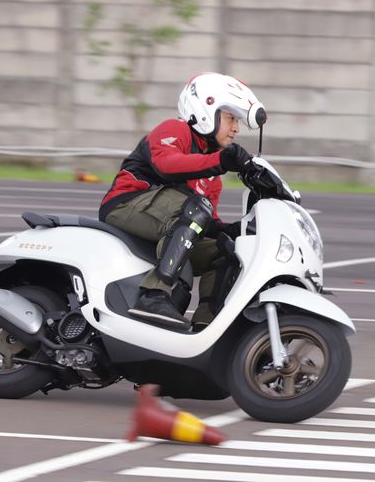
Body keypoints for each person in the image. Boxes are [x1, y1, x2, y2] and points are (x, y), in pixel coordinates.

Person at [99, 72, 266, 331]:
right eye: (231, 118)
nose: (236, 128)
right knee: (196, 207)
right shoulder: (176, 129)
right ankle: (153, 296)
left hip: (166, 218)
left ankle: (206, 326)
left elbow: (205, 224)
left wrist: (231, 230)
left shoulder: (212, 175)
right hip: (125, 204)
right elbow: (167, 165)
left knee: (226, 250)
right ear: (206, 110)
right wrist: (221, 162)